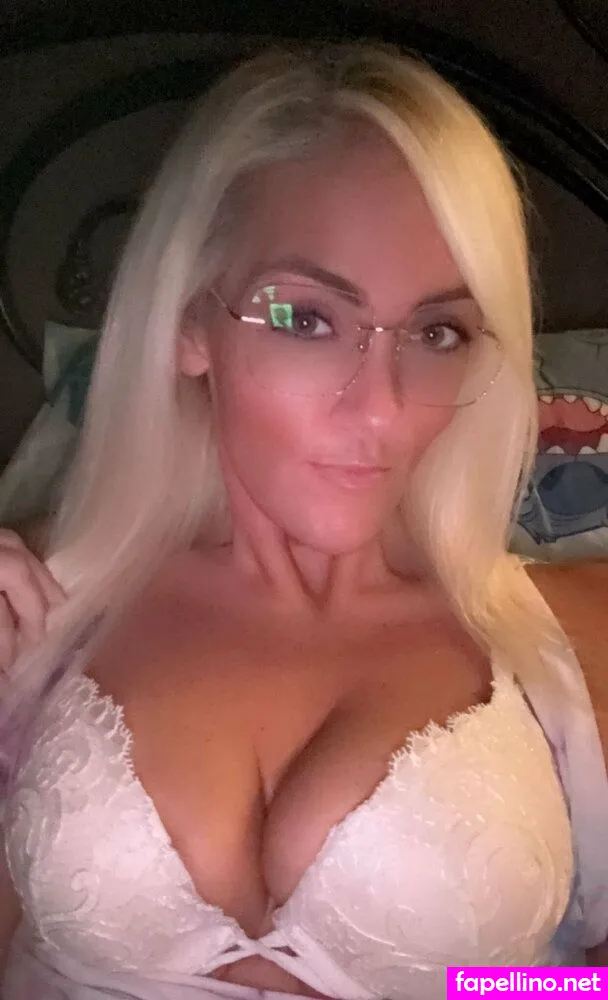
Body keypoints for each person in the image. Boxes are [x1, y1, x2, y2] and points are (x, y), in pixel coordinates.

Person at [0, 43, 607, 1000]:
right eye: (308, 318)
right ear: (189, 323)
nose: (382, 407)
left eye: (437, 332)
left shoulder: (574, 639)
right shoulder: (37, 597)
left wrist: (491, 991)